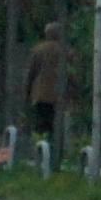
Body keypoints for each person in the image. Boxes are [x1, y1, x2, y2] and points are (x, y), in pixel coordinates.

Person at [22, 27, 69, 169]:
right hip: (60, 96)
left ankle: (41, 159)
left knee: (41, 127)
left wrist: (27, 94)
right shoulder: (66, 51)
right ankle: (56, 160)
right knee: (57, 129)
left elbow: (31, 73)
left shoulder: (38, 50)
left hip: (41, 95)